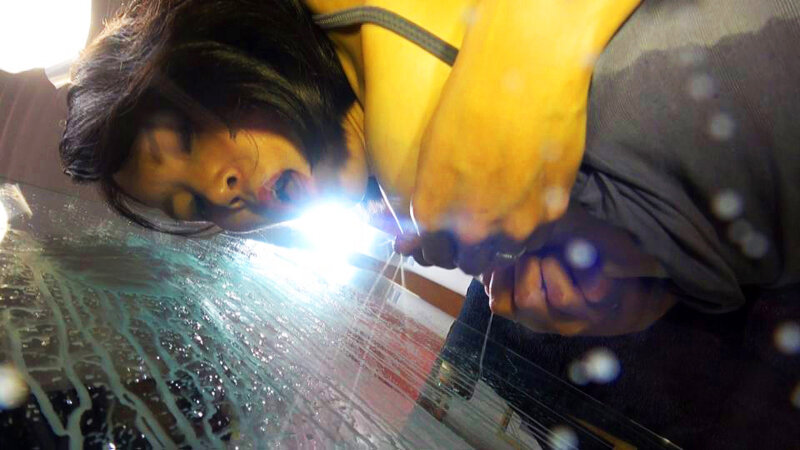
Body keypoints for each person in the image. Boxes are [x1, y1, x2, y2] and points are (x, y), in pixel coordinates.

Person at [60, 0, 800, 336]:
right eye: (195, 206)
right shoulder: (419, 203)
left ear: (212, 46)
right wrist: (632, 295)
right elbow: (711, 243)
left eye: (188, 135)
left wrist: (538, 28)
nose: (220, 191)